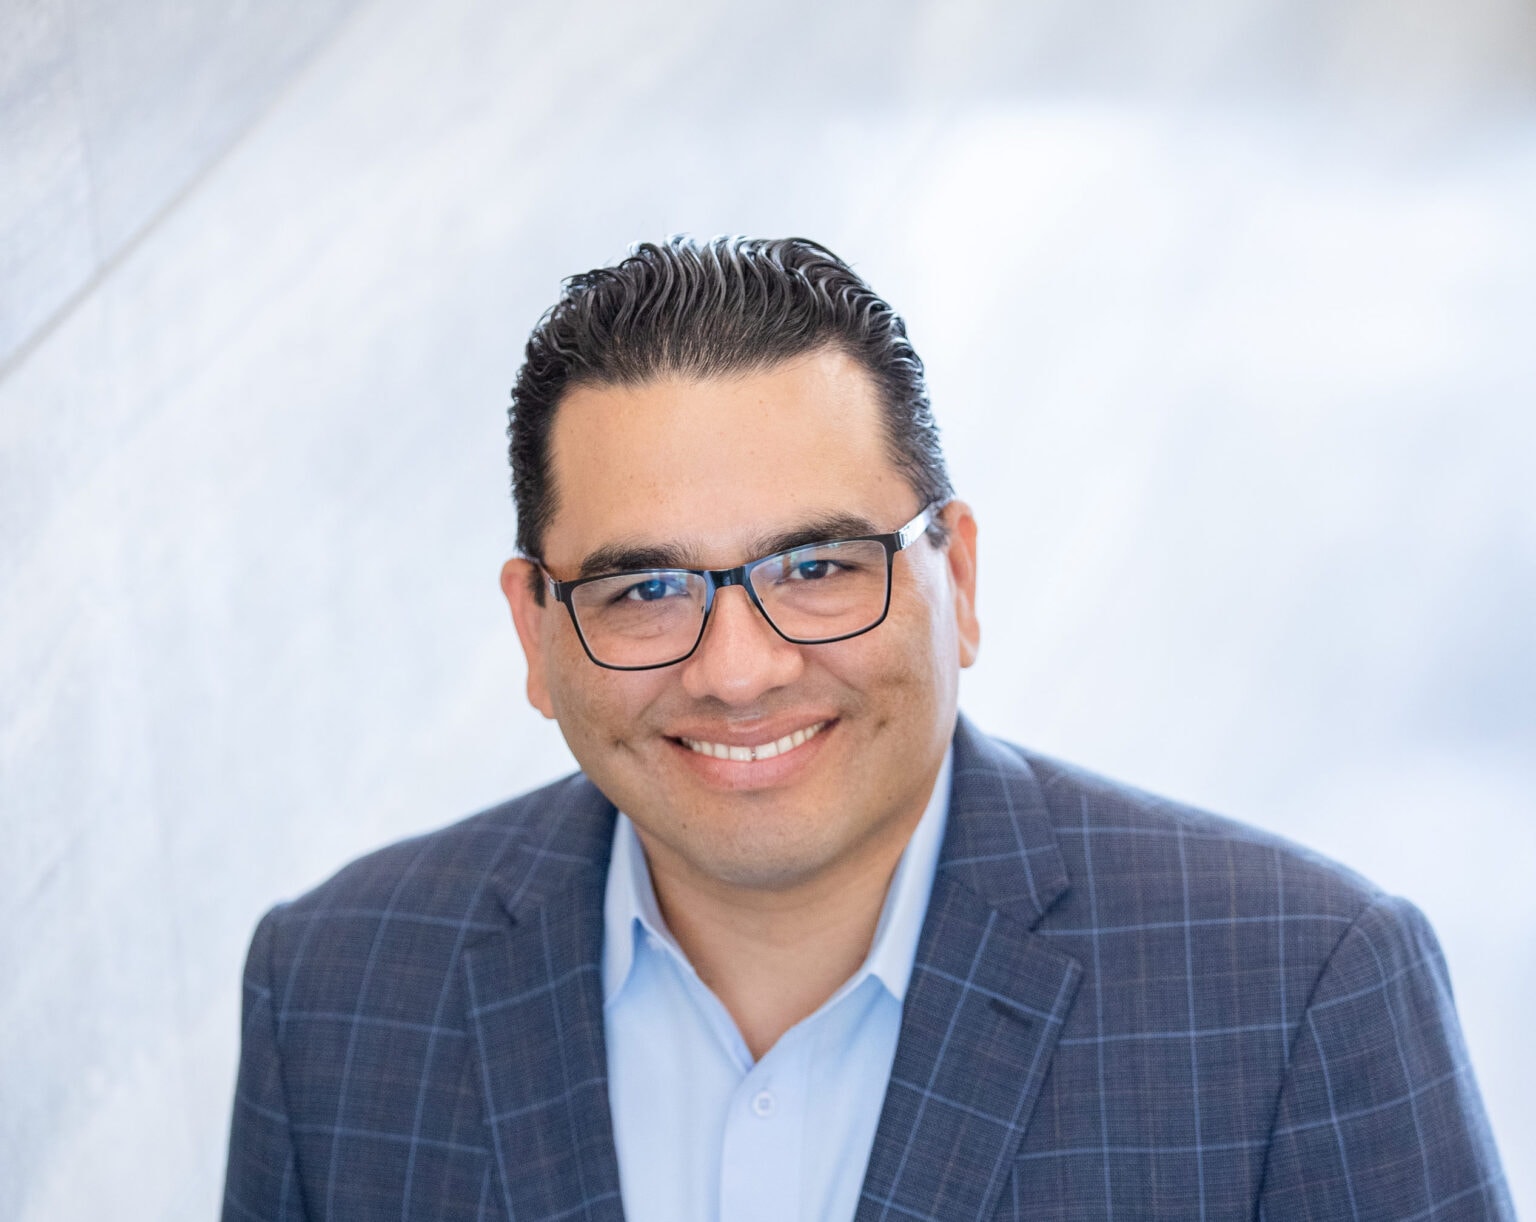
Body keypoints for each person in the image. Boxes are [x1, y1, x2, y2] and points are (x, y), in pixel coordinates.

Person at [222, 236, 1512, 1221]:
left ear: (956, 575)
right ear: (534, 634)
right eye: (647, 589)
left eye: (819, 568)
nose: (738, 672)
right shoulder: (333, 998)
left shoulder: (1300, 992)